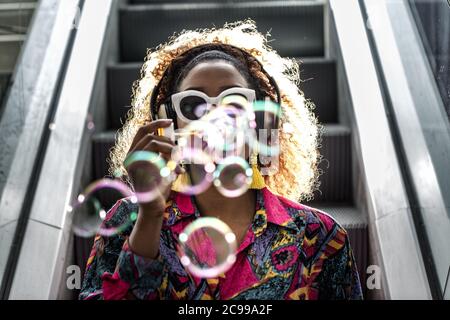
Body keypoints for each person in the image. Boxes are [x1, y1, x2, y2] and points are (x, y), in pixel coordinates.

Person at [79, 20, 363, 300]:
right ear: (169, 124)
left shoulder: (320, 238)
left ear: (260, 122)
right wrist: (150, 216)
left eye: (234, 103)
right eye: (193, 105)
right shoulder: (129, 221)